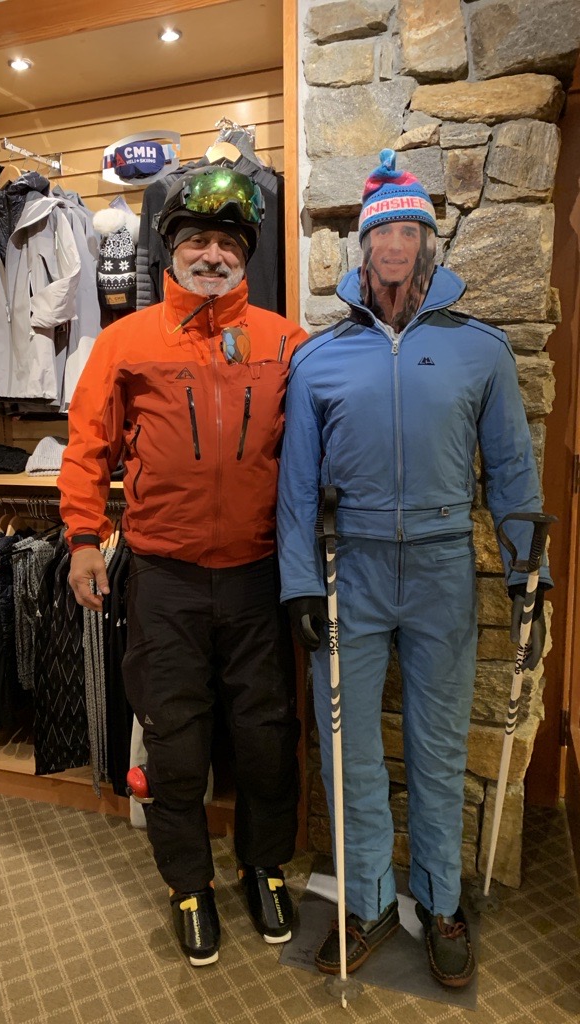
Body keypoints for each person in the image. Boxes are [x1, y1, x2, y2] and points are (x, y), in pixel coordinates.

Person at [277, 150, 552, 989]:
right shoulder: (318, 360)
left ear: (427, 243)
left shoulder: (481, 351)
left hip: (440, 571)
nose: (393, 245)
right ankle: (365, 900)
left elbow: (510, 469)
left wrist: (525, 571)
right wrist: (297, 585)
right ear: (362, 250)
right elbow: (293, 486)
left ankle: (439, 900)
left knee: (435, 749)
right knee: (350, 751)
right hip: (348, 571)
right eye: (380, 232)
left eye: (407, 229)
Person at [58, 166, 308, 967]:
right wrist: (83, 539)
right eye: (196, 240)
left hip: (257, 576)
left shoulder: (284, 340)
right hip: (163, 579)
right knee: (174, 739)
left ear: (246, 255)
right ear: (171, 250)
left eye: (226, 242)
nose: (211, 255)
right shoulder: (125, 341)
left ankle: (263, 866)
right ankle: (189, 883)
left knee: (267, 734)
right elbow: (88, 445)